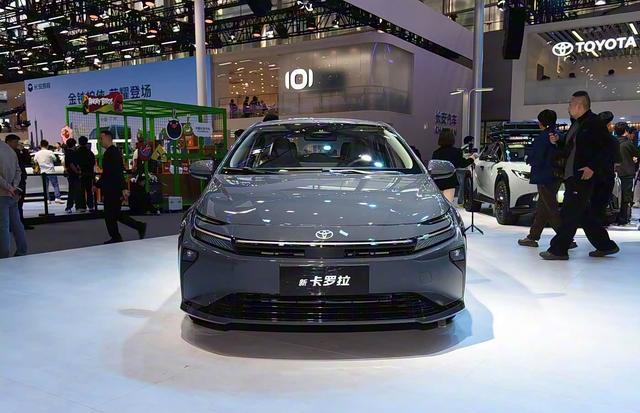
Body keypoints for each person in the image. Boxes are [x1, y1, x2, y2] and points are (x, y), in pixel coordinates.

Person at [540, 91, 619, 260]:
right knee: (582, 214)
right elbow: (572, 147)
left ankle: (558, 250)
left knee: (569, 213)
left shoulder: (594, 123)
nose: (568, 107)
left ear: (579, 106)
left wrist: (592, 167)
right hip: (573, 175)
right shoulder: (577, 124)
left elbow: (608, 148)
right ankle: (606, 246)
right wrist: (558, 140)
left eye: (570, 104)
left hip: (582, 176)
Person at [518, 110, 567, 247]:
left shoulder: (543, 137)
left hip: (544, 176)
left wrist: (529, 158)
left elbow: (537, 158)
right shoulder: (558, 135)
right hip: (556, 175)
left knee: (550, 208)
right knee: (543, 208)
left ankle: (565, 238)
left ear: (541, 122)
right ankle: (533, 236)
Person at [95, 130, 147, 244]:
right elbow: (116, 171)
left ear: (107, 137)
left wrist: (98, 184)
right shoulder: (114, 152)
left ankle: (117, 236)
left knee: (110, 214)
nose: (100, 141)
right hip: (114, 188)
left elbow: (111, 172)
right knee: (115, 213)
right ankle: (137, 227)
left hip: (112, 189)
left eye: (101, 138)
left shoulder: (110, 153)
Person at [0, 139, 28, 258]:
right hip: (12, 193)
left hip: (2, 193)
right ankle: (22, 249)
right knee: (16, 223)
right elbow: (18, 170)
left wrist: (8, 187)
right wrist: (14, 187)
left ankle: (3, 255)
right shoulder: (9, 150)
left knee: (3, 226)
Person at [431, 129, 475, 202]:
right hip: (450, 181)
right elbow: (462, 164)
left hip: (438, 181)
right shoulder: (456, 152)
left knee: (439, 203)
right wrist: (472, 158)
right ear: (452, 139)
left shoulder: (436, 153)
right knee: (448, 203)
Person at [4, 135, 33, 229]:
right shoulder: (5, 153)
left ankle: (20, 223)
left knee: (19, 203)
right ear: (8, 142)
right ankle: (13, 224)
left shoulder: (17, 152)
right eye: (15, 142)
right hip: (11, 181)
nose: (16, 144)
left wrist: (23, 150)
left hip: (20, 179)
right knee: (12, 204)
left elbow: (27, 160)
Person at [614, 122, 640, 225]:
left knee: (615, 195)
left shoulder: (613, 142)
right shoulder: (628, 143)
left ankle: (615, 216)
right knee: (626, 196)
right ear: (625, 131)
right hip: (627, 172)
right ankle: (623, 218)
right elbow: (637, 154)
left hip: (614, 172)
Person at [34, 139, 63, 204]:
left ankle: (47, 199)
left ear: (40, 145)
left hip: (42, 172)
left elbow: (35, 161)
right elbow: (55, 159)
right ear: (47, 145)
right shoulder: (50, 152)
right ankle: (57, 198)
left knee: (45, 187)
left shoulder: (37, 153)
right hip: (51, 171)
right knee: (55, 185)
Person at [63, 138, 84, 213]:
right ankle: (75, 207)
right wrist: (78, 172)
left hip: (71, 174)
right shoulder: (72, 153)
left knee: (72, 191)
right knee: (76, 191)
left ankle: (69, 207)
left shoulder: (67, 153)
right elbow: (72, 164)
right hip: (73, 174)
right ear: (73, 145)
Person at [76, 136, 96, 212]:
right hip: (89, 173)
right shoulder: (89, 152)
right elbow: (93, 163)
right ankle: (91, 206)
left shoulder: (77, 152)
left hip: (80, 174)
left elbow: (76, 163)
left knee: (81, 191)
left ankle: (82, 206)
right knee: (89, 190)